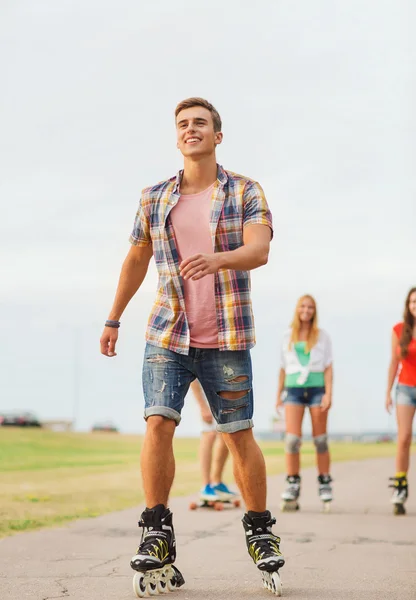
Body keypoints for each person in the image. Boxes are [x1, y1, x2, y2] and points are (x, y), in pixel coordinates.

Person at [100, 97, 284, 594]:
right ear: (176, 136)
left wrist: (217, 259)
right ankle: (157, 528)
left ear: (217, 135)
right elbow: (135, 260)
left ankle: (260, 529)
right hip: (168, 332)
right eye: (183, 124)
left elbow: (259, 249)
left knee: (237, 434)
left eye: (200, 122)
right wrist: (113, 317)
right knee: (157, 420)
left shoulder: (246, 189)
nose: (190, 129)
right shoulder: (154, 196)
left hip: (225, 334)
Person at [276, 295, 333, 511]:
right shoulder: (286, 336)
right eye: (303, 306)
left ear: (314, 311)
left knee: (320, 440)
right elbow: (283, 367)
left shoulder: (322, 336)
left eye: (310, 307)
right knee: (292, 440)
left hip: (317, 389)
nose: (306, 310)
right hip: (293, 390)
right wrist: (278, 394)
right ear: (297, 309)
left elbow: (328, 366)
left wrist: (329, 393)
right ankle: (292, 482)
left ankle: (324, 481)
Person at [385, 287, 416, 515]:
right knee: (404, 437)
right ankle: (400, 486)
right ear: (408, 305)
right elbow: (394, 363)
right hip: (405, 388)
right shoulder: (399, 329)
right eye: (413, 302)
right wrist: (388, 392)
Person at [190, 379, 237, 504]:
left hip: (221, 389)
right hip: (204, 391)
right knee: (209, 434)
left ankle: (216, 482)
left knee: (225, 433)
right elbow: (193, 377)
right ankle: (206, 486)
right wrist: (202, 406)